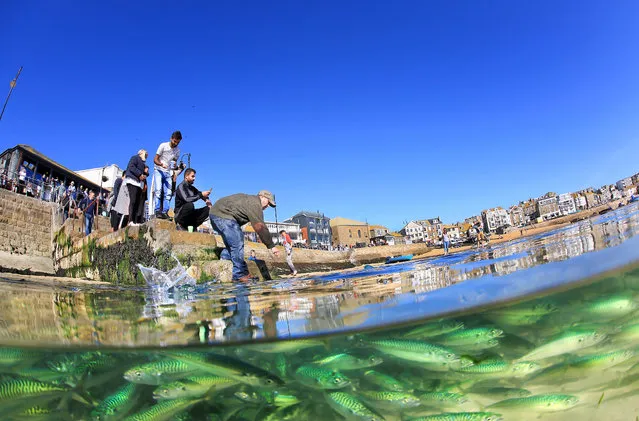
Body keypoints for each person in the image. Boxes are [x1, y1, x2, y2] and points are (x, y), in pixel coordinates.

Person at [209, 190, 280, 282]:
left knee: (233, 240)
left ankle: (225, 258)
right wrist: (271, 246)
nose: (267, 206)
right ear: (262, 197)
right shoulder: (255, 203)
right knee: (238, 240)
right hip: (222, 215)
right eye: (268, 203)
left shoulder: (249, 201)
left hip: (216, 215)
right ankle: (239, 274)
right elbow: (260, 226)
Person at [153, 131, 182, 219]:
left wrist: (175, 167)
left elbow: (174, 163)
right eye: (174, 141)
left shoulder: (178, 150)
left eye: (177, 142)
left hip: (168, 172)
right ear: (171, 138)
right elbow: (155, 159)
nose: (175, 143)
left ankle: (165, 211)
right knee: (158, 190)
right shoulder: (163, 145)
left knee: (168, 193)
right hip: (159, 170)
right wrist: (161, 164)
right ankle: (157, 210)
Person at [124, 149, 148, 226]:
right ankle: (131, 220)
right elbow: (131, 167)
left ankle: (135, 221)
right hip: (132, 181)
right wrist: (139, 174)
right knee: (133, 201)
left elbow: (141, 171)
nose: (146, 156)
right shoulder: (135, 158)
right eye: (145, 154)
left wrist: (145, 174)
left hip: (138, 183)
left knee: (137, 203)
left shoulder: (143, 163)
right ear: (141, 153)